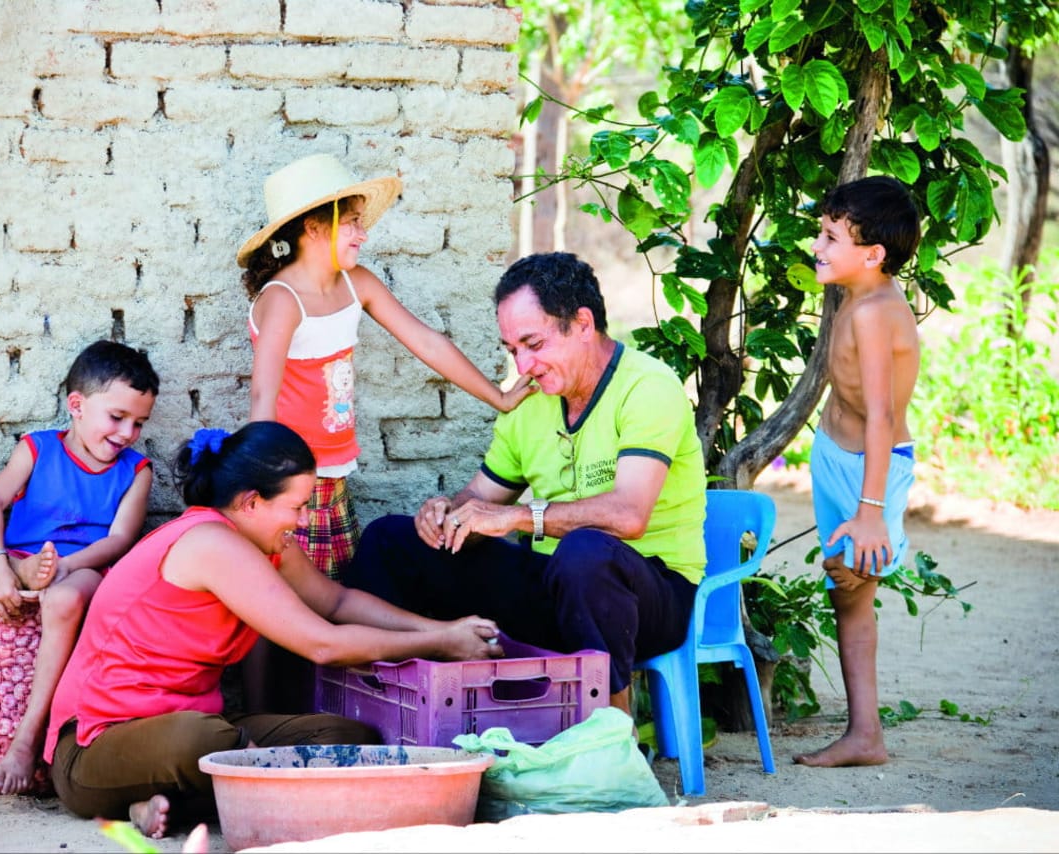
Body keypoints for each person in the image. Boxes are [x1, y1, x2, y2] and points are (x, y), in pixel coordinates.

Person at [44, 421, 503, 840]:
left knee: (348, 741)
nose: (303, 521)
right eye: (297, 506)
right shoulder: (210, 542)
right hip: (93, 751)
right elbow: (322, 644)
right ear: (251, 502)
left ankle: (164, 807)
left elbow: (337, 602)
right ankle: (165, 800)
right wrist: (441, 643)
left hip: (204, 734)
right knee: (202, 740)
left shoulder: (269, 544)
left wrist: (447, 627)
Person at [341, 251, 708, 720]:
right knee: (391, 540)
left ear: (581, 323)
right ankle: (398, 714)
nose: (524, 364)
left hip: (650, 596)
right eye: (512, 349)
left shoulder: (648, 387)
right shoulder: (532, 401)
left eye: (533, 344)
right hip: (556, 590)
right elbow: (482, 497)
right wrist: (448, 515)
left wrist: (517, 517)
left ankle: (613, 736)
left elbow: (628, 515)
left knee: (587, 553)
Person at [238, 152, 535, 580]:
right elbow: (263, 395)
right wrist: (267, 488)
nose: (363, 233)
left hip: (334, 477)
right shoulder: (284, 300)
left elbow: (425, 340)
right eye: (353, 222)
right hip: (292, 481)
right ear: (315, 227)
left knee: (339, 588)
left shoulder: (356, 284)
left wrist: (500, 397)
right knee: (297, 598)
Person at [0, 339, 159, 794]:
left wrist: (63, 567)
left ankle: (25, 740)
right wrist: (0, 565)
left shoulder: (136, 471)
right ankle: (11, 577)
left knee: (62, 598)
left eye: (139, 423)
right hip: (9, 562)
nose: (127, 433)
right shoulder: (38, 448)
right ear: (77, 405)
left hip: (81, 567)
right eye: (117, 417)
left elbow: (120, 540)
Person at [793, 176, 921, 769]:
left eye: (831, 237)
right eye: (821, 231)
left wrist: (871, 513)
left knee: (852, 587)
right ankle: (863, 732)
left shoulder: (874, 312)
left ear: (873, 254)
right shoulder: (858, 293)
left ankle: (866, 734)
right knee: (847, 594)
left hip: (867, 469)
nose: (817, 245)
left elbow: (882, 415)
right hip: (840, 459)